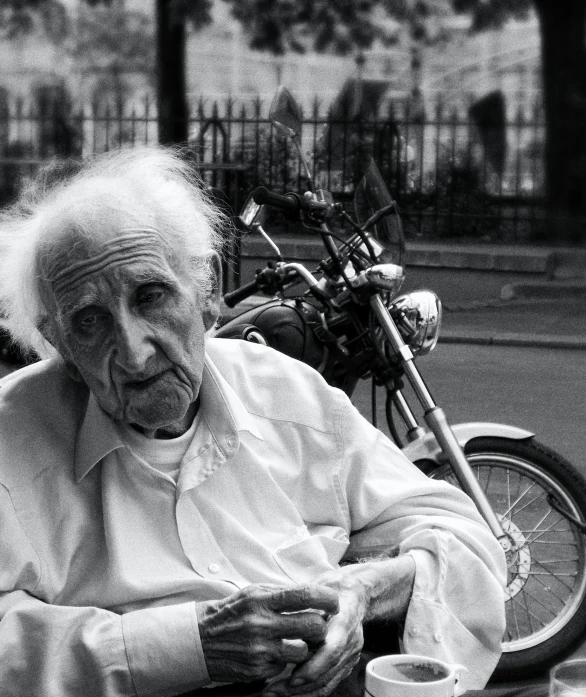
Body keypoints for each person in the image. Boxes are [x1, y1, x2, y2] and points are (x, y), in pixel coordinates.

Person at [0, 146, 506, 697]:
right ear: (59, 346)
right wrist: (190, 645)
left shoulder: (285, 392)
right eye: (89, 322)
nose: (135, 353)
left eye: (151, 297)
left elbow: (466, 539)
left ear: (208, 291)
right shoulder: (13, 438)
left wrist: (364, 589)